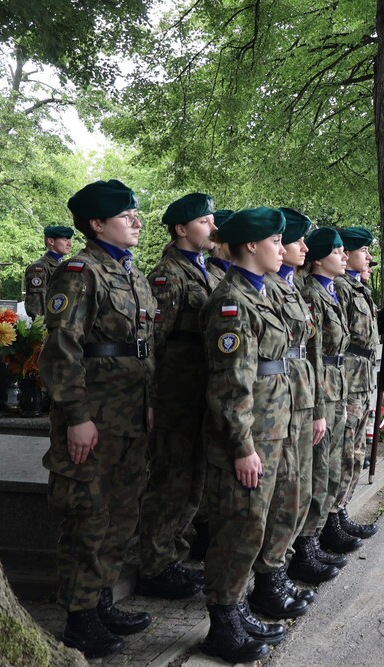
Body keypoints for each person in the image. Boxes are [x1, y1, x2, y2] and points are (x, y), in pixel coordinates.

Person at [39, 179, 155, 658]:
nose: (137, 222)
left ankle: (102, 598)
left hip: (130, 415)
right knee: (88, 516)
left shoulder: (131, 272)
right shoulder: (79, 272)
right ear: (97, 223)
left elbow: (142, 346)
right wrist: (76, 416)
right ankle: (79, 617)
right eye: (126, 216)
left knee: (122, 513)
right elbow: (61, 349)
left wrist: (149, 401)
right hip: (94, 418)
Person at [199, 207, 293, 662]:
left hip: (270, 428)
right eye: (275, 241)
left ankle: (236, 609)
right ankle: (222, 625)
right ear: (251, 245)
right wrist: (242, 447)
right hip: (247, 436)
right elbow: (231, 384)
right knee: (238, 528)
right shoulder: (231, 303)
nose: (283, 249)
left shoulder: (261, 292)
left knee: (253, 525)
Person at [250, 208, 338, 615]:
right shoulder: (261, 290)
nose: (304, 247)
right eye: (294, 240)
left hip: (298, 398)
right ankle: (268, 578)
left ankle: (284, 564)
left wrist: (315, 405)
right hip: (273, 407)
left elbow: (309, 352)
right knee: (278, 493)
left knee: (298, 486)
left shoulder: (287, 289)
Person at [136, 193, 217, 601]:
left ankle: (174, 555)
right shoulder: (167, 276)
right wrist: (152, 399)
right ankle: (154, 564)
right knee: (170, 482)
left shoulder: (204, 271)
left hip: (199, 396)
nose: (213, 227)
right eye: (205, 221)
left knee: (193, 482)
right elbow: (153, 343)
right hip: (174, 398)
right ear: (182, 229)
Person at [298, 227, 355, 566]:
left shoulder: (329, 293)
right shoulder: (311, 294)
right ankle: (307, 542)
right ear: (318, 259)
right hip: (322, 388)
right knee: (319, 469)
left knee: (333, 466)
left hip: (337, 385)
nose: (344, 256)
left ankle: (319, 535)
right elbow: (313, 354)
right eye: (336, 251)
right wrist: (319, 405)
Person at [322, 226, 380, 552]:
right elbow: (337, 342)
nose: (368, 257)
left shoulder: (357, 287)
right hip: (348, 378)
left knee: (356, 450)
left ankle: (341, 509)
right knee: (345, 450)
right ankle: (332, 516)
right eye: (363, 250)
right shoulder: (342, 288)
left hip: (361, 377)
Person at [23, 225, 75, 319]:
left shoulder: (64, 266)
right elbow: (36, 304)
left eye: (69, 240)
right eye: (65, 239)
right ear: (51, 241)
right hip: (48, 324)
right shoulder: (39, 267)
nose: (69, 244)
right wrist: (42, 325)